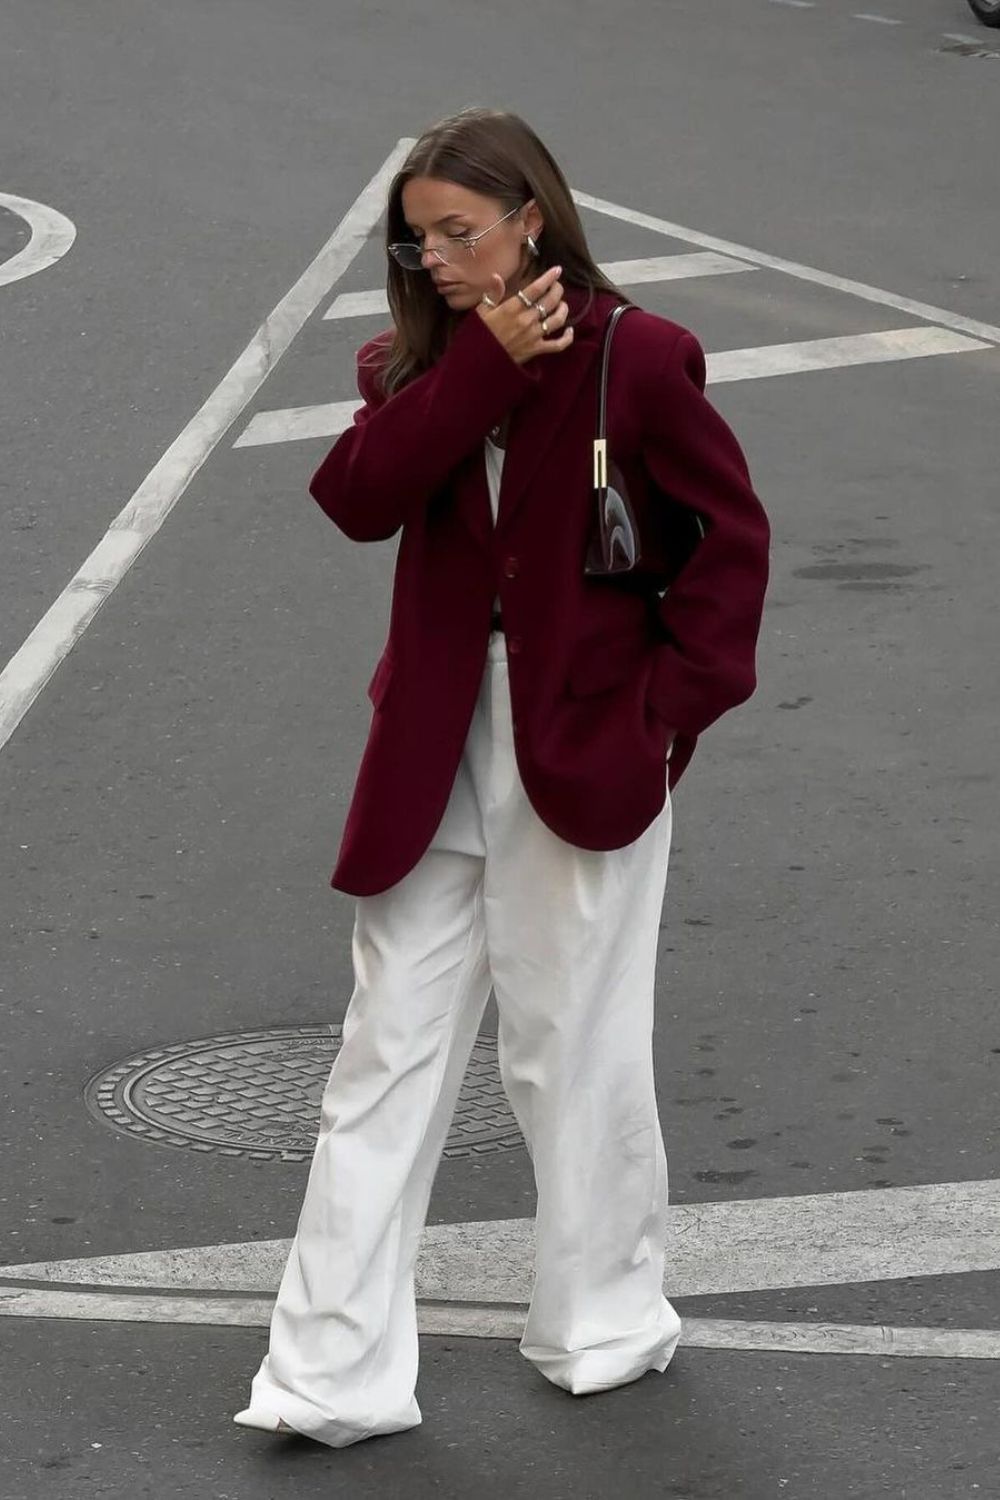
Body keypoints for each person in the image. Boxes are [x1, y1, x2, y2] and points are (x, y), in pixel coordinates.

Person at [234, 106, 770, 1449]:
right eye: (419, 245)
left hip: (585, 744)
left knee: (568, 1052)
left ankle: (603, 1322)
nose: (438, 263)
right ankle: (326, 1378)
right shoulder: (410, 368)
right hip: (432, 754)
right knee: (382, 1059)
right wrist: (472, 365)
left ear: (532, 218)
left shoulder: (640, 360)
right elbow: (356, 499)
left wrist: (666, 719)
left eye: (459, 235)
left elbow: (730, 550)